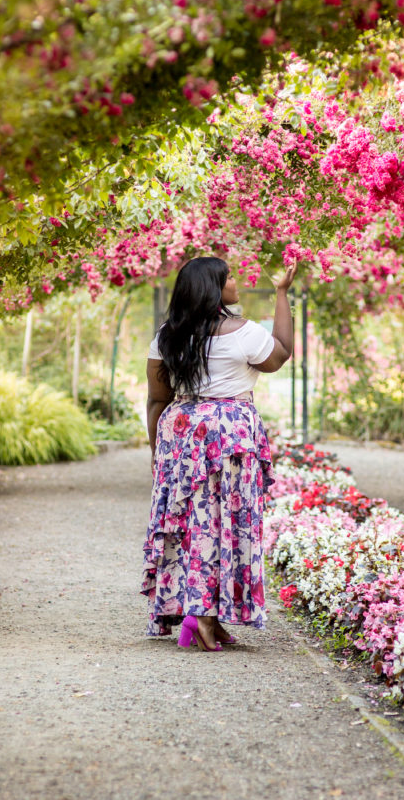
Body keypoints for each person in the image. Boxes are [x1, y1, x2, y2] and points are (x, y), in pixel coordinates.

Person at [140, 255, 297, 651]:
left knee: (192, 524)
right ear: (213, 287)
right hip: (230, 434)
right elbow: (280, 355)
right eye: (228, 278)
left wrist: (158, 455)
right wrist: (281, 293)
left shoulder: (167, 336)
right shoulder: (243, 333)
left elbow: (157, 400)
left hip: (181, 432)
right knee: (228, 521)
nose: (235, 281)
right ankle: (204, 615)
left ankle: (202, 609)